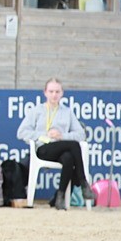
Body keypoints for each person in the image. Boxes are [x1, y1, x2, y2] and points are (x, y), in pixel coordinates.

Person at [15, 78, 94, 210]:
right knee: (74, 146)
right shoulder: (36, 111)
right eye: (51, 91)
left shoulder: (67, 112)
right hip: (43, 148)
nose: (54, 95)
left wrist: (62, 135)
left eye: (57, 91)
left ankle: (60, 197)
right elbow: (21, 132)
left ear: (62, 93)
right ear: (45, 93)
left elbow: (81, 134)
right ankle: (83, 182)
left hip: (62, 148)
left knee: (69, 157)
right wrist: (43, 135)